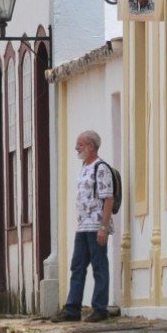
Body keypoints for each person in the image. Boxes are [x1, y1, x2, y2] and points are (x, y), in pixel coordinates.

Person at [56, 130, 114, 322]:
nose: (76, 148)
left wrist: (103, 227)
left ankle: (100, 308)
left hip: (96, 225)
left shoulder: (101, 168)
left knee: (99, 266)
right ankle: (72, 308)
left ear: (91, 146)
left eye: (80, 144)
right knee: (77, 266)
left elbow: (108, 199)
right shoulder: (84, 167)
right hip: (82, 226)